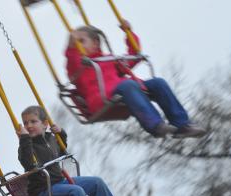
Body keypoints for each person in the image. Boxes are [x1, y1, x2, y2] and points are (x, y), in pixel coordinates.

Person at [17, 105, 139, 196]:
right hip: (42, 191)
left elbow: (62, 149)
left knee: (97, 182)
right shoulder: (26, 146)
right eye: (25, 123)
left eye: (33, 121)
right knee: (76, 191)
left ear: (45, 124)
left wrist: (61, 133)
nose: (28, 126)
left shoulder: (50, 139)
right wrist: (24, 139)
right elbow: (28, 163)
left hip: (59, 183)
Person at [65, 21, 207, 138]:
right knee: (129, 85)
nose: (79, 45)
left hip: (126, 89)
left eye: (82, 41)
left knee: (158, 83)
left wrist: (129, 33)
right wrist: (71, 47)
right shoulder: (79, 65)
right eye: (77, 42)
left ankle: (182, 124)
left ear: (96, 43)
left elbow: (133, 57)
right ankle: (155, 125)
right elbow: (72, 62)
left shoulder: (107, 59)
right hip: (101, 98)